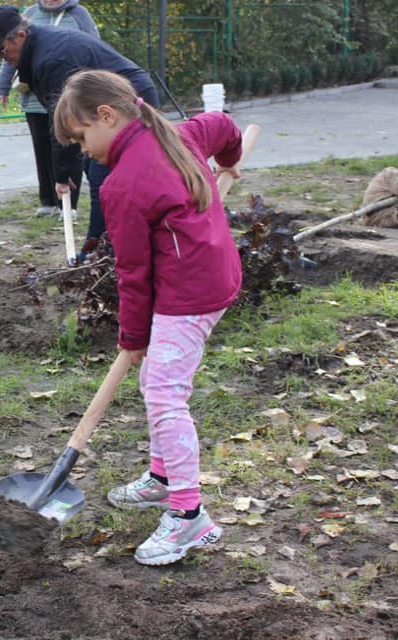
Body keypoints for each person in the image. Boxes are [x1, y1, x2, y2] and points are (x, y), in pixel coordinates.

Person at [54, 69, 243, 566]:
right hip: (210, 277)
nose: (82, 149)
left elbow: (133, 273)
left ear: (107, 116)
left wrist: (133, 336)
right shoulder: (181, 134)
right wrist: (232, 160)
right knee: (158, 385)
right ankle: (163, 478)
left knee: (163, 393)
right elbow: (223, 125)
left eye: (81, 136)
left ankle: (188, 516)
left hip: (189, 295)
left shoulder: (123, 186)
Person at [0, 5, 161, 260]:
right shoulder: (39, 47)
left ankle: (97, 251)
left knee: (103, 178)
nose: (3, 58)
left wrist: (62, 175)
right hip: (103, 109)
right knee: (94, 167)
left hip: (130, 102)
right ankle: (106, 246)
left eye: (2, 50)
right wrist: (66, 170)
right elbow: (64, 123)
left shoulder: (53, 58)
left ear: (20, 36)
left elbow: (63, 122)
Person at [0, 0, 98, 217]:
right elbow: (9, 55)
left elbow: (93, 45)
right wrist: (2, 84)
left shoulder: (79, 15)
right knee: (43, 148)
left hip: (70, 96)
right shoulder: (29, 14)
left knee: (70, 147)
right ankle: (48, 200)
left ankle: (69, 205)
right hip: (36, 95)